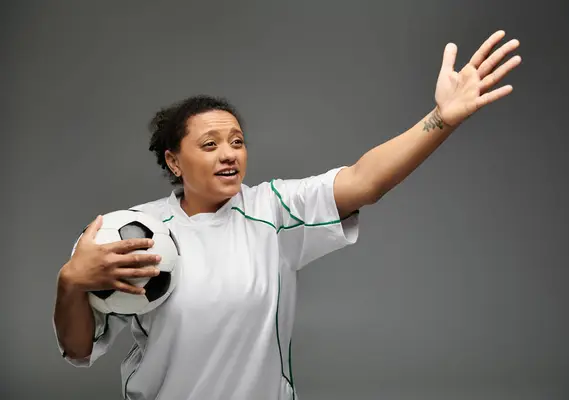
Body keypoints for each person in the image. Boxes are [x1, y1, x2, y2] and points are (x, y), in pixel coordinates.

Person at [53, 30, 521, 399]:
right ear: (174, 160)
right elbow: (78, 348)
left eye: (237, 142)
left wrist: (442, 118)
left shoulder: (273, 211)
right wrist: (71, 282)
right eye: (210, 145)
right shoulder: (134, 232)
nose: (228, 154)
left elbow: (365, 180)